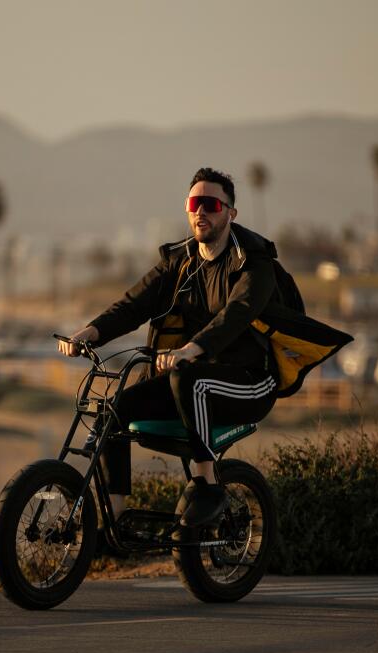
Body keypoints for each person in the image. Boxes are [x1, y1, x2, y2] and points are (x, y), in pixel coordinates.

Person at [58, 167, 279, 535]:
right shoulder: (182, 261)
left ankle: (207, 485)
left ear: (230, 213)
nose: (200, 212)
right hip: (189, 377)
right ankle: (118, 521)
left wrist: (191, 349)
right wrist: (90, 333)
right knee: (117, 408)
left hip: (251, 380)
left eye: (210, 204)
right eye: (194, 203)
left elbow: (235, 315)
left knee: (188, 378)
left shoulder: (254, 263)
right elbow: (135, 303)